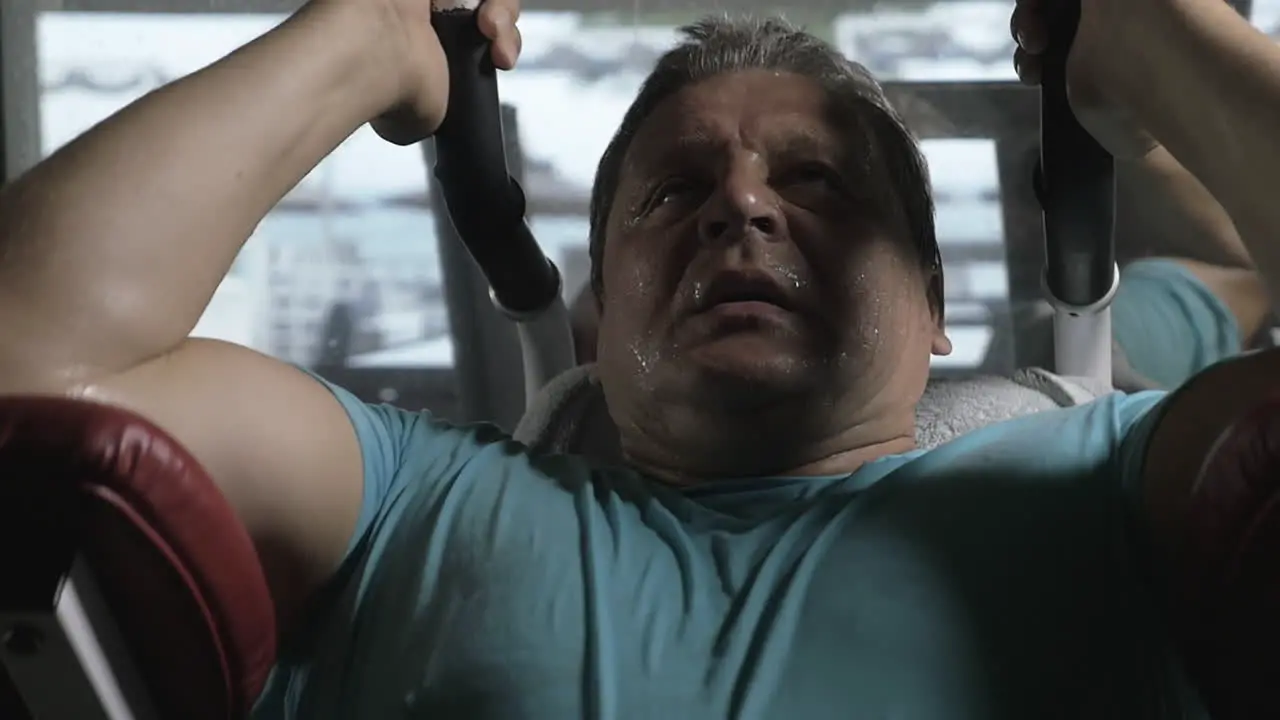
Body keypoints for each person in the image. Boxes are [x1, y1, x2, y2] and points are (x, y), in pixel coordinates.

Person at [1, 0, 1280, 716]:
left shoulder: (1096, 480)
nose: (743, 206)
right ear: (600, 313)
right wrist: (371, 30)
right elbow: (32, 355)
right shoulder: (414, 501)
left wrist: (1145, 36)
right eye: (674, 194)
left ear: (935, 304)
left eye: (817, 181)